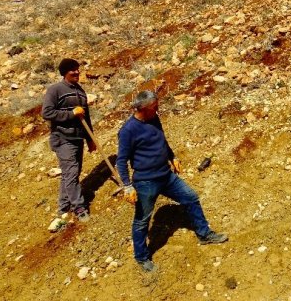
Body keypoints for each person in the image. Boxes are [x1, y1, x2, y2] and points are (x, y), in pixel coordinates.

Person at [117, 91, 228, 272]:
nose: (158, 110)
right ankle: (142, 257)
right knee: (142, 220)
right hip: (146, 182)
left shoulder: (154, 118)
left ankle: (204, 234)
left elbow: (162, 140)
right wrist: (127, 186)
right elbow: (121, 161)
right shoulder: (128, 131)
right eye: (154, 108)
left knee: (191, 197)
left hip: (166, 176)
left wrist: (172, 156)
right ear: (143, 109)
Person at [42, 58, 97, 229]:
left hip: (77, 138)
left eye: (78, 69)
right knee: (72, 173)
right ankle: (79, 207)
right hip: (62, 138)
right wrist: (71, 114)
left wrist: (90, 140)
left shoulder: (80, 92)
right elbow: (47, 112)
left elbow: (85, 118)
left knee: (71, 173)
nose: (77, 72)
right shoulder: (55, 90)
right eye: (73, 70)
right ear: (65, 72)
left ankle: (63, 207)